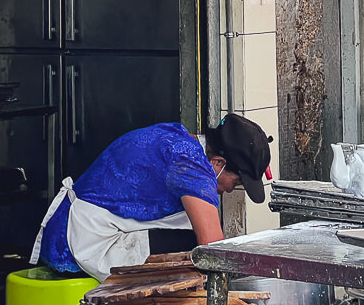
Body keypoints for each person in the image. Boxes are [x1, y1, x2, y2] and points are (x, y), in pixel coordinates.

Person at [32, 114, 272, 280]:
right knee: (194, 249)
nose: (231, 189)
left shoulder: (180, 139)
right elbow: (213, 249)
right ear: (218, 162)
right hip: (81, 245)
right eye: (236, 182)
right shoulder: (191, 166)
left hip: (72, 231)